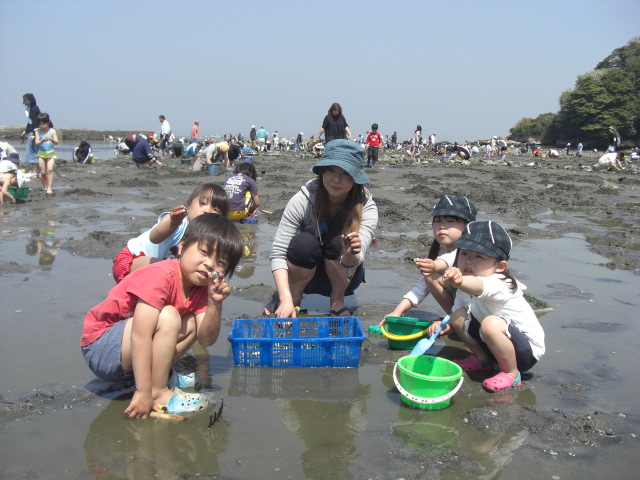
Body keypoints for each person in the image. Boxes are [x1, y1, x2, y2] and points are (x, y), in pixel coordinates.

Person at [81, 213, 244, 417]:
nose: (210, 264)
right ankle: (157, 392)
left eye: (220, 262)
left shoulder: (203, 289)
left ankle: (159, 378)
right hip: (102, 349)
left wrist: (214, 305)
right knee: (168, 315)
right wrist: (143, 392)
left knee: (193, 323)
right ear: (182, 246)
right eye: (204, 252)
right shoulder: (160, 275)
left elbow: (206, 339)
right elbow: (140, 335)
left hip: (127, 352)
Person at [429, 220, 545, 393]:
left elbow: (478, 286)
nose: (469, 261)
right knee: (457, 315)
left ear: (500, 266)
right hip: (492, 342)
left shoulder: (501, 283)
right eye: (465, 254)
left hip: (524, 352)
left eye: (479, 257)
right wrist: (446, 325)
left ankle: (512, 374)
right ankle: (483, 360)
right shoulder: (463, 286)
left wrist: (459, 281)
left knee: (491, 323)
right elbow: (458, 311)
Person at [267, 139, 378, 318]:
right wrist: (284, 298)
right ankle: (293, 300)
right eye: (331, 170)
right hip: (303, 271)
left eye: (345, 173)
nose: (336, 179)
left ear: (356, 178)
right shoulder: (302, 199)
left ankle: (337, 301)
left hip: (346, 275)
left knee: (338, 241)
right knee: (303, 243)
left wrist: (351, 254)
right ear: (321, 171)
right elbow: (278, 252)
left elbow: (357, 258)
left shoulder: (367, 206)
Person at [381, 195, 477, 325]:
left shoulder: (470, 253)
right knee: (430, 278)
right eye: (437, 221)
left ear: (468, 226)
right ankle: (455, 318)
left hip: (479, 311)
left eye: (450, 221)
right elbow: (421, 288)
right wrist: (397, 311)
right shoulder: (441, 252)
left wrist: (434, 266)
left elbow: (447, 260)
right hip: (461, 308)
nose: (442, 226)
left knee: (432, 276)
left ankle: (459, 321)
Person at [112, 183, 229, 283]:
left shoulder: (206, 237)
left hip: (158, 271)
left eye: (215, 210)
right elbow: (154, 237)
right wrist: (173, 222)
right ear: (189, 204)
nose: (207, 210)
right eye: (203, 203)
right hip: (129, 261)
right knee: (175, 268)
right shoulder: (179, 221)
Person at [32, 112, 58, 195]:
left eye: (44, 124)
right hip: (41, 154)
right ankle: (44, 186)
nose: (42, 126)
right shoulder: (38, 132)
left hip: (50, 153)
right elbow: (37, 143)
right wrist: (42, 140)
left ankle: (49, 187)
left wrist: (51, 139)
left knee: (50, 169)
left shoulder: (52, 131)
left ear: (48, 123)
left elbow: (57, 142)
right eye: (40, 124)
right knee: (42, 172)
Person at [21, 93, 41, 175]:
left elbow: (35, 123)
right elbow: (30, 122)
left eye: (27, 102)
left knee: (33, 152)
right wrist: (25, 131)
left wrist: (34, 134)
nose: (25, 104)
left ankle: (34, 172)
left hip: (33, 133)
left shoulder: (33, 109)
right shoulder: (32, 109)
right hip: (31, 132)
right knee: (33, 151)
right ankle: (36, 171)